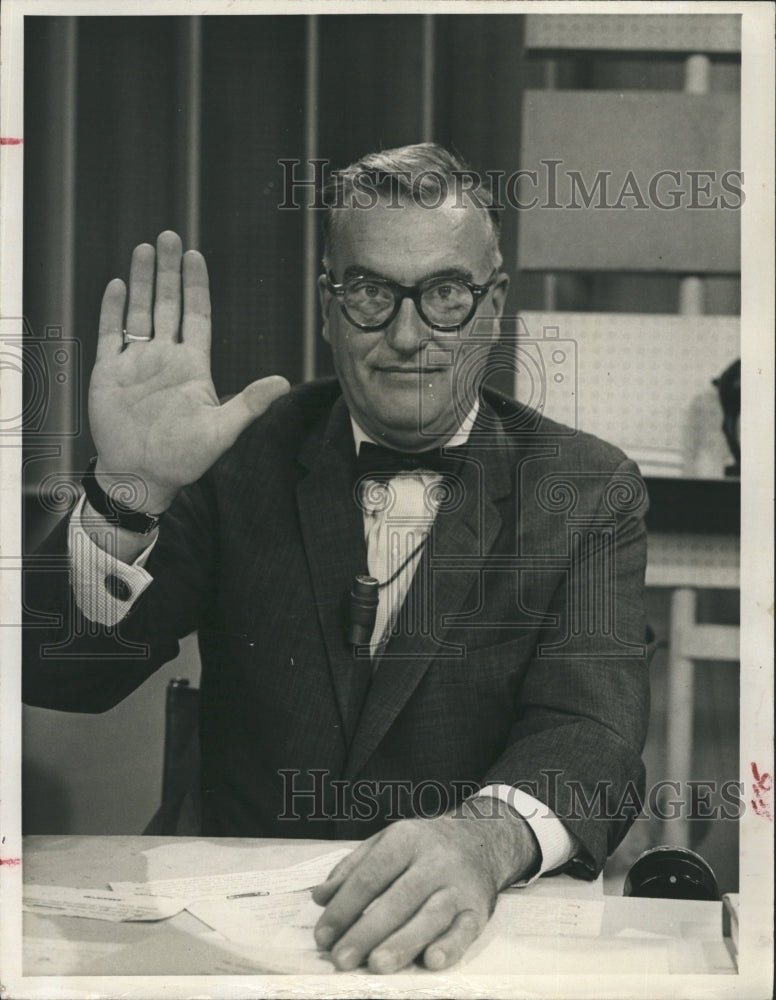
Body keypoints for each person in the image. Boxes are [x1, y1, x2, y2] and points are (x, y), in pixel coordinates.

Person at [23, 144, 650, 974]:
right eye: (369, 292)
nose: (406, 334)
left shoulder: (586, 485)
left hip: (475, 935)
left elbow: (591, 734)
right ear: (328, 304)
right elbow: (61, 674)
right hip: (223, 929)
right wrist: (129, 495)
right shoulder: (234, 456)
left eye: (446, 295)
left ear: (494, 306)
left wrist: (482, 842)